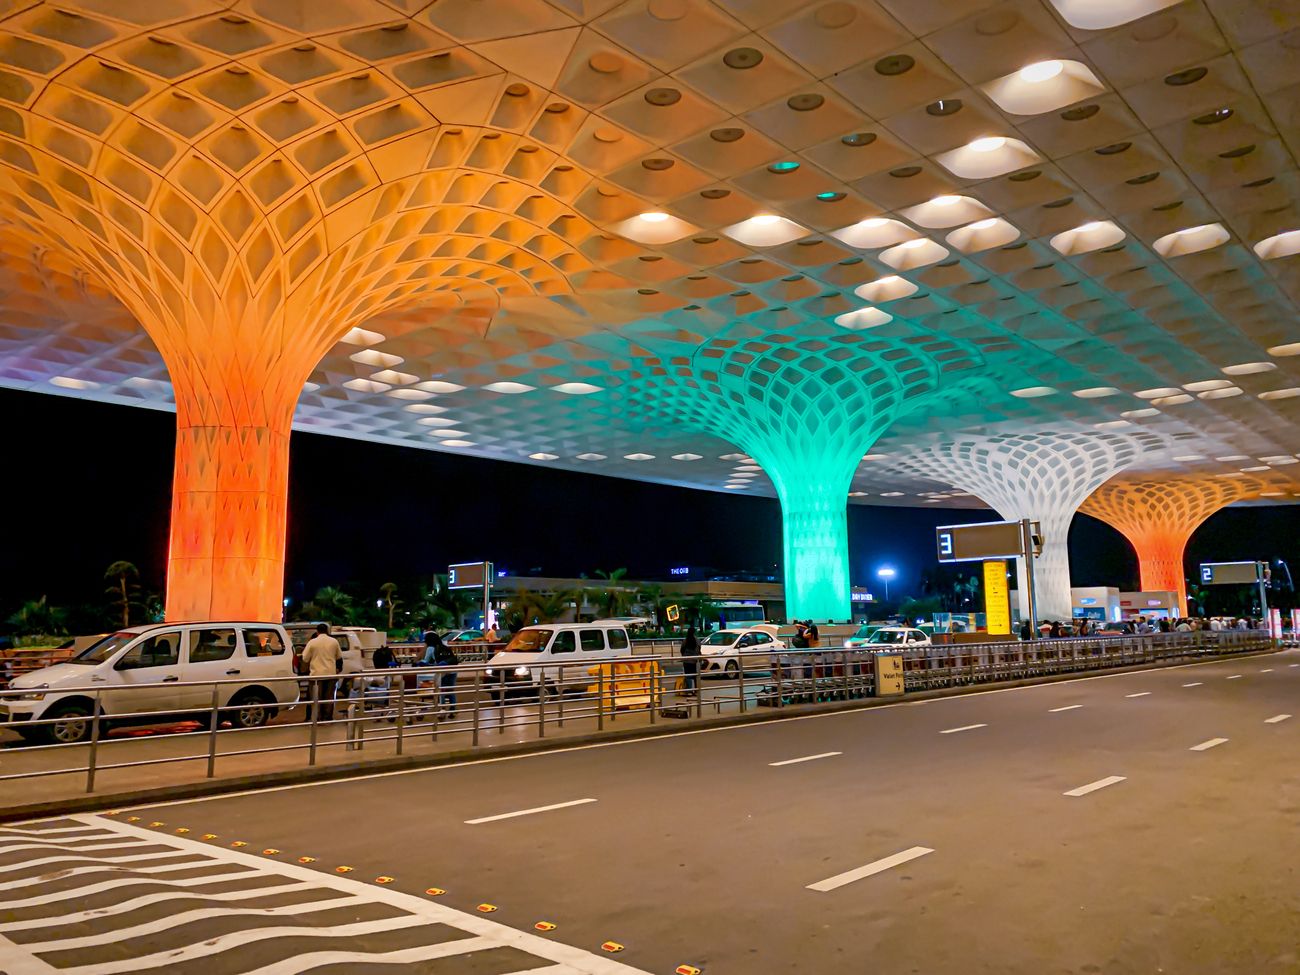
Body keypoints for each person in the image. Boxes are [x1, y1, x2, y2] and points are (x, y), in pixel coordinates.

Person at [301, 623, 342, 722]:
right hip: (330, 674)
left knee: (316, 698)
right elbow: (339, 657)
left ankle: (316, 718)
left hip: (316, 675)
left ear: (317, 631)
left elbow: (305, 658)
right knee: (328, 698)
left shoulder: (312, 642)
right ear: (327, 630)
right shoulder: (334, 642)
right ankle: (327, 718)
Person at [420, 631, 460, 716]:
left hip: (442, 671)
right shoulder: (444, 646)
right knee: (450, 690)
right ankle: (453, 709)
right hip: (452, 670)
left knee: (441, 689)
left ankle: (442, 709)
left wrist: (419, 662)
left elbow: (426, 661)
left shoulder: (430, 648)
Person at [679, 623, 700, 694]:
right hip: (694, 660)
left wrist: (684, 656)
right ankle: (696, 690)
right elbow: (699, 649)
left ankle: (689, 690)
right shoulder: (697, 640)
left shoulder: (686, 640)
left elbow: (682, 649)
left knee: (688, 675)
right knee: (694, 675)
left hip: (686, 660)